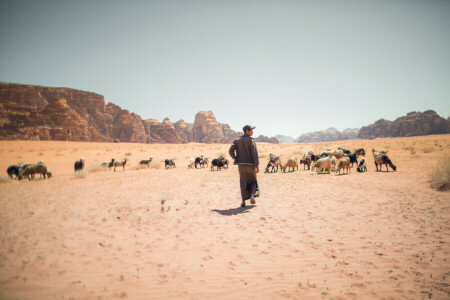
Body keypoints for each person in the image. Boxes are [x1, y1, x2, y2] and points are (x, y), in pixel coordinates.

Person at [229, 124, 260, 207]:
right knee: (253, 181)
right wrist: (257, 165)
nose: (252, 132)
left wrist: (236, 158)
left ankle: (243, 202)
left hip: (241, 165)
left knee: (243, 182)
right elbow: (254, 154)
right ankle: (252, 195)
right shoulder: (251, 140)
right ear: (247, 131)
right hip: (251, 165)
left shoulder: (237, 140)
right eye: (251, 130)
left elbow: (230, 151)